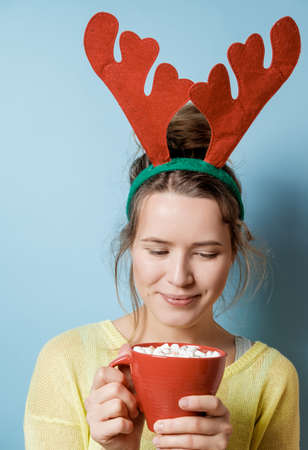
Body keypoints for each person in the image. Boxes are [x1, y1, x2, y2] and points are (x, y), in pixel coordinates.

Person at [24, 12, 301, 450]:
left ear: (235, 251)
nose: (179, 277)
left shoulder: (273, 378)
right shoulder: (66, 361)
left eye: (206, 253)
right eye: (157, 250)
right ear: (130, 244)